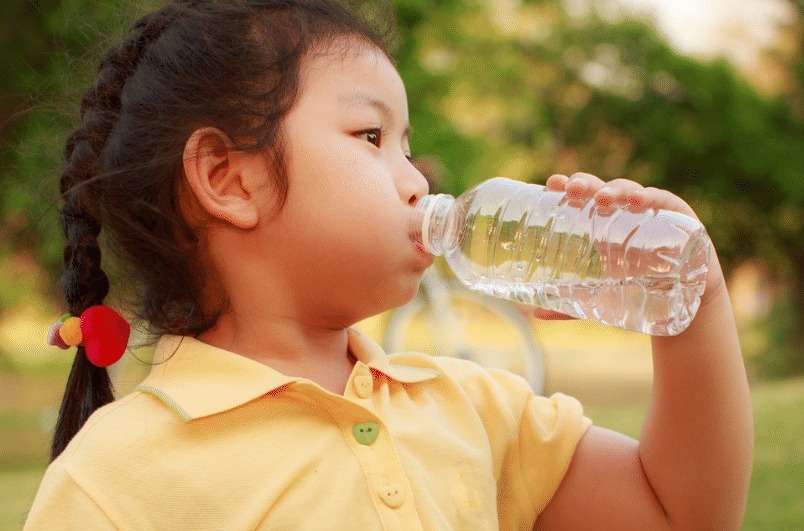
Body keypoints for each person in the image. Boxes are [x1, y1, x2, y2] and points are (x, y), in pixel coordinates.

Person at [25, 0, 753, 529]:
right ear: (228, 178)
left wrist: (691, 302)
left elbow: (678, 509)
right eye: (372, 135)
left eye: (408, 144)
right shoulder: (111, 483)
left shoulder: (470, 408)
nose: (416, 179)